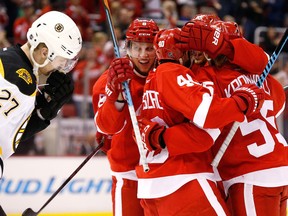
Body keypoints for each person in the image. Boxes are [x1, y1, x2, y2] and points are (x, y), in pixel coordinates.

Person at [134, 28, 264, 216]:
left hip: (151, 187)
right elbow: (206, 124)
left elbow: (144, 131)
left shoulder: (152, 79)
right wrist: (242, 102)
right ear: (181, 53)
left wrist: (159, 137)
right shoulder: (172, 72)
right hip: (183, 181)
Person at [175, 19, 288, 215]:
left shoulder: (207, 76)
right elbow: (278, 106)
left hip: (249, 175)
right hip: (278, 167)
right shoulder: (263, 78)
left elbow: (203, 115)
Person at [0, 10, 82, 215]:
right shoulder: (21, 80)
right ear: (45, 52)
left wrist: (41, 115)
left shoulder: (14, 66)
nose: (63, 68)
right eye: (63, 60)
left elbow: (8, 133)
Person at [92, 19, 159, 216]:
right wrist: (116, 96)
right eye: (137, 48)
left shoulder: (167, 75)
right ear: (127, 48)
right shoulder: (109, 80)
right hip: (128, 173)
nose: (143, 55)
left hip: (162, 174)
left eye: (149, 48)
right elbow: (106, 128)